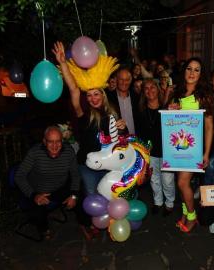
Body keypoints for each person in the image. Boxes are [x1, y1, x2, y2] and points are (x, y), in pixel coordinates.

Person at [52, 41, 126, 196]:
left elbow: (120, 140)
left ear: (102, 95)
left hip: (109, 165)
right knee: (94, 200)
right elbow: (73, 88)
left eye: (96, 94)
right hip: (88, 166)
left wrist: (122, 127)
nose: (93, 98)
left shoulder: (111, 111)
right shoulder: (84, 114)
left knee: (110, 197)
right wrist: (63, 63)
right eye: (89, 95)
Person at [168, 57, 214, 233]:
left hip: (194, 147)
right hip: (177, 146)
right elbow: (170, 121)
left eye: (196, 70)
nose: (192, 73)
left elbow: (209, 126)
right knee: (182, 183)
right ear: (184, 71)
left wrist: (206, 153)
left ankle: (192, 217)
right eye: (189, 68)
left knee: (182, 183)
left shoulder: (204, 96)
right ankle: (186, 213)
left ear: (201, 74)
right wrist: (171, 110)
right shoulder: (177, 93)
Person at [15, 126, 81, 238]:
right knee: (37, 214)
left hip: (60, 188)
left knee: (82, 196)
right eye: (50, 142)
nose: (55, 146)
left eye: (58, 141)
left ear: (62, 141)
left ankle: (84, 225)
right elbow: (19, 176)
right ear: (44, 141)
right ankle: (44, 229)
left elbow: (75, 174)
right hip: (38, 191)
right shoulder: (35, 153)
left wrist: (74, 195)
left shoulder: (68, 151)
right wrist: (34, 195)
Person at [135, 79, 175, 216]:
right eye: (146, 88)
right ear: (143, 93)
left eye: (153, 87)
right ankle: (158, 202)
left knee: (168, 180)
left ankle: (169, 203)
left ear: (158, 89)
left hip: (167, 152)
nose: (150, 90)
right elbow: (139, 134)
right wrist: (142, 154)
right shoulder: (140, 111)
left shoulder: (167, 109)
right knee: (154, 179)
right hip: (149, 153)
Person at [106, 67, 139, 134]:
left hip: (136, 140)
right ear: (117, 79)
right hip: (118, 140)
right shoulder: (108, 98)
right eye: (121, 79)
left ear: (131, 80)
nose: (124, 82)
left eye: (127, 79)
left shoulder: (137, 97)